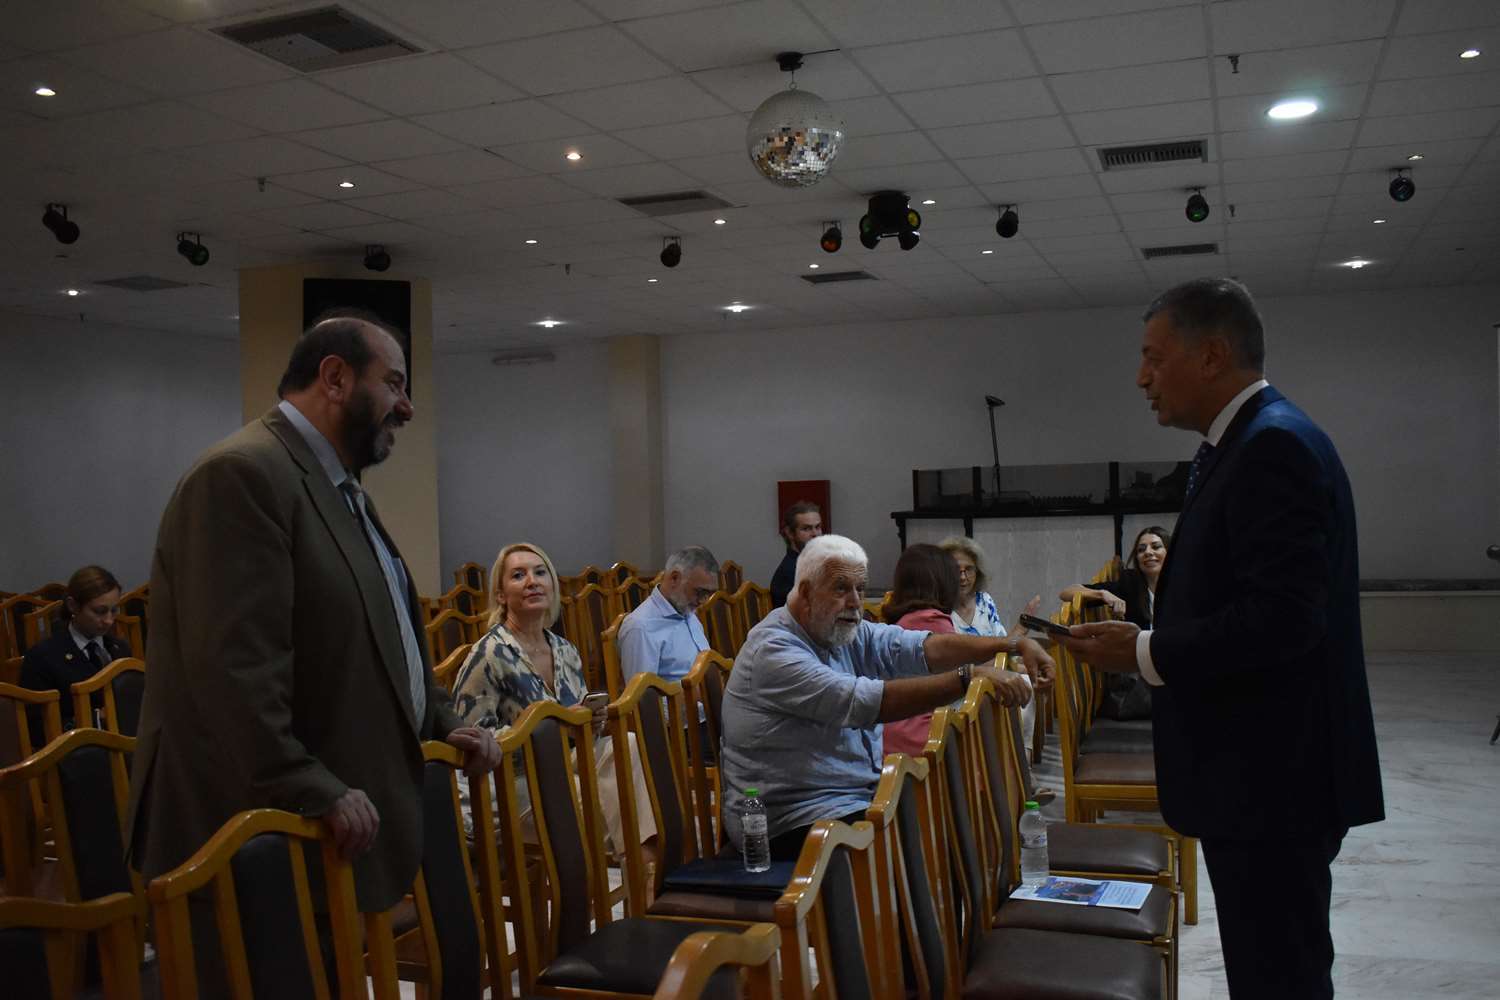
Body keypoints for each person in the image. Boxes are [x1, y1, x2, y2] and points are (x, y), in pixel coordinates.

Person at [1062, 278, 1383, 999]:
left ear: (1210, 356)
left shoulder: (1273, 445)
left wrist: (1143, 652)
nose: (1141, 377)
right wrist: (1148, 634)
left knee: (1280, 976)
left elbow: (1283, 619)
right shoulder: (1247, 440)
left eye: (1153, 357)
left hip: (1272, 778)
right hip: (1261, 772)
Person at [126, 310, 500, 927]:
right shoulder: (242, 473)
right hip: (252, 834)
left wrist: (440, 717)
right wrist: (311, 785)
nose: (407, 408)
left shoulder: (336, 486)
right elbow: (233, 671)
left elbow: (379, 633)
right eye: (395, 383)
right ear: (335, 378)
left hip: (317, 831)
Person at [720, 534, 1051, 861]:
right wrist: (967, 677)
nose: (855, 602)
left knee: (963, 823)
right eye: (841, 588)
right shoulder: (774, 651)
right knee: (938, 839)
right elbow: (863, 701)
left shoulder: (836, 629)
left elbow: (917, 646)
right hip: (794, 819)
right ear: (806, 592)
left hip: (854, 798)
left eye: (860, 589)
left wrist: (1011, 644)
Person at [452, 542, 654, 855]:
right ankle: (644, 866)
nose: (532, 581)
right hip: (510, 784)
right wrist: (552, 730)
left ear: (552, 585)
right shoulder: (489, 654)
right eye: (518, 575)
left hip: (559, 768)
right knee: (612, 804)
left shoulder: (565, 650)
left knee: (625, 744)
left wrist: (589, 721)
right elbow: (472, 742)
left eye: (540, 572)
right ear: (501, 595)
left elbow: (578, 735)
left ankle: (640, 865)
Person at [1058, 526, 1171, 720]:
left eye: (1156, 547)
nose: (1148, 553)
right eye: (1141, 549)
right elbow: (1066, 592)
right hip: (1142, 680)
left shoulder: (1182, 586)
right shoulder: (1130, 585)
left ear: (1169, 552)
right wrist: (1102, 594)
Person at [938, 535, 1042, 739]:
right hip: (959, 688)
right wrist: (1017, 638)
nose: (963, 577)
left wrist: (1020, 633)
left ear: (977, 572)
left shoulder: (984, 601)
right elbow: (950, 670)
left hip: (992, 678)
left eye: (968, 569)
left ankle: (1022, 754)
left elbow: (1003, 646)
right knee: (1017, 684)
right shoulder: (938, 610)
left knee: (1026, 681)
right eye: (956, 570)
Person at [20, 565, 131, 731]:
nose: (109, 620)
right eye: (99, 611)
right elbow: (36, 725)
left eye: (114, 610)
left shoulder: (119, 648)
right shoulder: (43, 657)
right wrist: (95, 719)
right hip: (77, 744)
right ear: (73, 606)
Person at [618, 545, 717, 685]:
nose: (703, 601)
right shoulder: (640, 627)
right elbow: (642, 696)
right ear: (674, 578)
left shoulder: (687, 611)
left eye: (709, 594)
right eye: (699, 592)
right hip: (685, 699)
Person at [769, 500, 822, 608]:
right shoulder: (790, 572)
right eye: (806, 529)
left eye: (817, 527)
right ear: (789, 533)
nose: (815, 534)